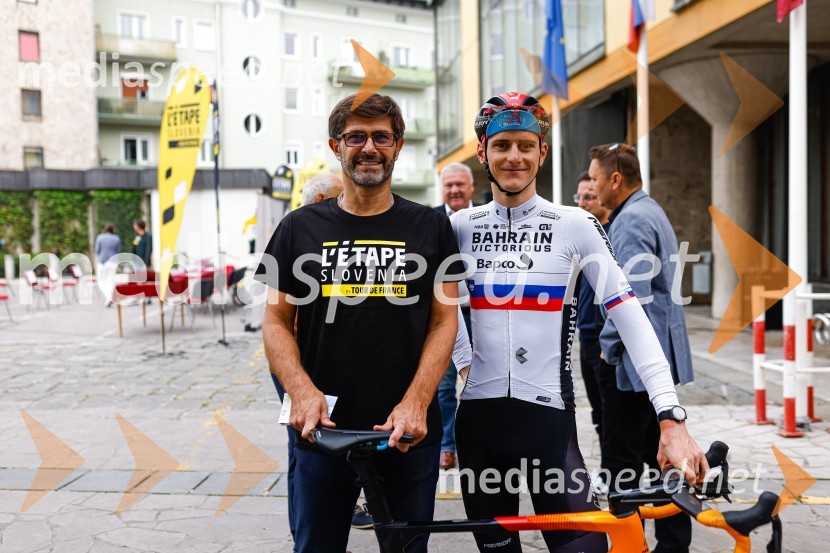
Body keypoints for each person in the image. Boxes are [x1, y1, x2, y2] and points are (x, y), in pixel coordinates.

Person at [450, 92, 707, 553]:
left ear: (542, 152)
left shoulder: (575, 225)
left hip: (547, 421)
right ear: (483, 151)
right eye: (502, 144)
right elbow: (440, 310)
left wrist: (671, 418)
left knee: (586, 548)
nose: (514, 157)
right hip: (479, 424)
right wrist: (464, 360)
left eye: (526, 145)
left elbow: (632, 318)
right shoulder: (459, 227)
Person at [256, 93, 467, 553]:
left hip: (406, 435)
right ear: (336, 146)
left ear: (398, 146)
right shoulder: (297, 228)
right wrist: (301, 391)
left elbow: (443, 321)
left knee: (407, 549)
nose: (368, 147)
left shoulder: (430, 227)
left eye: (380, 137)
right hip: (322, 432)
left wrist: (416, 401)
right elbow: (274, 321)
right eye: (356, 136)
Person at [591, 143, 696, 553]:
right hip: (654, 363)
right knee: (664, 460)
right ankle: (672, 543)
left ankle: (628, 544)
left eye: (597, 178)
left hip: (632, 368)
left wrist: (607, 348)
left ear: (615, 179)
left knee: (622, 466)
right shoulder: (650, 209)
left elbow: (630, 298)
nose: (595, 187)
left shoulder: (630, 220)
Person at [268, 170, 349, 545]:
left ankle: (322, 512)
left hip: (317, 362)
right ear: (320, 201)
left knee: (313, 443)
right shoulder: (297, 232)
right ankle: (303, 524)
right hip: (296, 364)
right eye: (338, 196)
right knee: (301, 445)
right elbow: (279, 320)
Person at [433, 162, 477, 470]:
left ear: (471, 186)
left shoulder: (486, 217)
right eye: (449, 185)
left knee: (482, 381)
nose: (454, 190)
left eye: (460, 184)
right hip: (444, 312)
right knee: (445, 384)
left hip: (481, 313)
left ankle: (478, 443)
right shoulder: (431, 219)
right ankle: (447, 445)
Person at [573, 173, 611, 490]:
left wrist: (606, 341)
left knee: (609, 409)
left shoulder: (610, 236)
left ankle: (613, 471)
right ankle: (609, 469)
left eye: (589, 196)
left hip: (601, 341)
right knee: (599, 411)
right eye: (580, 197)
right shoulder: (585, 235)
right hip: (586, 335)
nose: (583, 202)